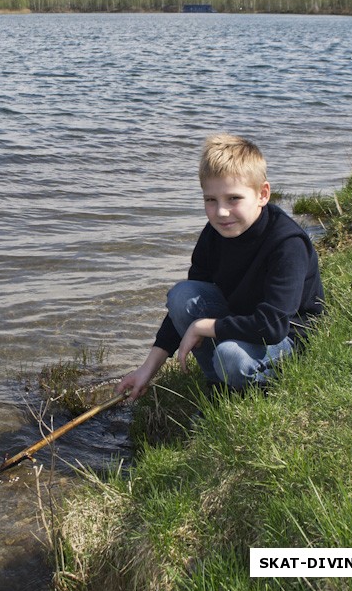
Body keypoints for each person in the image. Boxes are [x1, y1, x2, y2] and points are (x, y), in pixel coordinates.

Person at [117, 133, 324, 401]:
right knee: (182, 295)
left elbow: (272, 327)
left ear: (262, 194)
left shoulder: (287, 244)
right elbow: (188, 302)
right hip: (241, 320)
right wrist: (147, 369)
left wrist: (204, 326)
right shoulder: (215, 233)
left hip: (287, 337)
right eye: (211, 200)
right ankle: (219, 384)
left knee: (232, 356)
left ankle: (252, 386)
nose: (221, 212)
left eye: (234, 199)